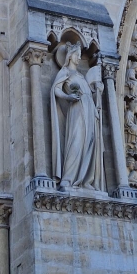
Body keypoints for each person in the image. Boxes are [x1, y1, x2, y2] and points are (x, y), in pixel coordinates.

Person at [50, 42, 102, 190]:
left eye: (80, 55)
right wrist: (68, 97)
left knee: (90, 142)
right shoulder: (65, 72)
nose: (79, 58)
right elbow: (56, 89)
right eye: (77, 55)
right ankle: (68, 178)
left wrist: (97, 89)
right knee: (76, 141)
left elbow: (89, 92)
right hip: (76, 108)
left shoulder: (80, 75)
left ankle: (85, 180)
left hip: (89, 109)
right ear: (70, 56)